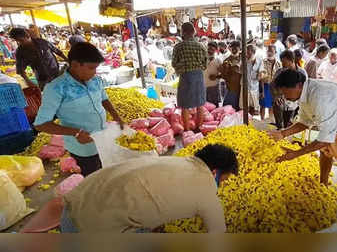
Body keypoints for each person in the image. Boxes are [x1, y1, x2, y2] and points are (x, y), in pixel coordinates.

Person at [60, 144, 239, 233]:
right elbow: (218, 233)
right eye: (224, 179)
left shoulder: (177, 160)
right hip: (88, 230)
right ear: (215, 171)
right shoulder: (207, 192)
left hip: (72, 207)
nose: (222, 183)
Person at [268, 69, 337, 185]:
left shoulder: (320, 97)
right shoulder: (304, 93)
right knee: (326, 151)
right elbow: (305, 122)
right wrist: (282, 134)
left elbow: (324, 139)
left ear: (299, 85)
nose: (285, 97)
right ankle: (323, 184)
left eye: (286, 92)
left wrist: (296, 153)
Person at [34, 42, 124, 177]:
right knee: (94, 180)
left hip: (103, 139)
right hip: (83, 149)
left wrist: (116, 116)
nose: (94, 73)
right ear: (75, 64)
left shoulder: (95, 81)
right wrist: (76, 133)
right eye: (91, 68)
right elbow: (41, 124)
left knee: (110, 174)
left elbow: (104, 98)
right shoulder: (56, 88)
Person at [172, 22, 207, 131]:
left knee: (185, 105)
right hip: (198, 76)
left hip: (185, 76)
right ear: (193, 32)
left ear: (183, 32)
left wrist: (182, 67)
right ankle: (199, 127)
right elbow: (205, 64)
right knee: (200, 103)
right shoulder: (201, 46)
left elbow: (174, 63)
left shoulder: (178, 47)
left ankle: (187, 130)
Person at [271, 50, 307, 129]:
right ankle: (280, 130)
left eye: (284, 62)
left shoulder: (302, 72)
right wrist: (277, 96)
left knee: (292, 124)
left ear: (291, 60)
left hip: (296, 103)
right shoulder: (279, 71)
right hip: (281, 102)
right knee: (280, 124)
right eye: (282, 62)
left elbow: (304, 90)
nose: (282, 64)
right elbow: (273, 86)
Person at [259, 45, 281, 121]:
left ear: (275, 52)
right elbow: (261, 77)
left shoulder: (278, 63)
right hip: (264, 86)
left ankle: (270, 121)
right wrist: (261, 91)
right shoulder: (263, 62)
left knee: (272, 105)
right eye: (268, 51)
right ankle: (262, 121)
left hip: (274, 87)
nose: (269, 53)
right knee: (263, 105)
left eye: (271, 51)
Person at [239, 44, 263, 115]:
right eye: (246, 52)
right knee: (244, 107)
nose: (247, 53)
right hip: (245, 86)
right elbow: (240, 71)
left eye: (248, 52)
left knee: (254, 108)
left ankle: (251, 121)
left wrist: (259, 75)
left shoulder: (259, 60)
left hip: (254, 87)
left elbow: (261, 73)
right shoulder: (244, 60)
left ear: (253, 52)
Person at [219, 41, 242, 110]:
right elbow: (223, 76)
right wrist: (225, 70)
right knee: (229, 110)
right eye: (232, 47)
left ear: (239, 48)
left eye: (236, 47)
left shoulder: (244, 58)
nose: (234, 49)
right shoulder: (226, 60)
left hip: (242, 88)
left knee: (241, 109)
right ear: (230, 48)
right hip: (231, 88)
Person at [204, 41, 222, 106]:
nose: (210, 51)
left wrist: (216, 76)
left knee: (214, 106)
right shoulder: (203, 58)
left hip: (214, 87)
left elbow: (223, 74)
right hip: (203, 86)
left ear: (215, 50)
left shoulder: (218, 60)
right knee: (204, 107)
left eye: (212, 49)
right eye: (208, 49)